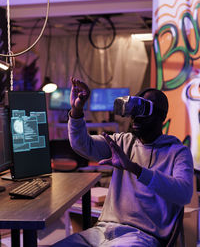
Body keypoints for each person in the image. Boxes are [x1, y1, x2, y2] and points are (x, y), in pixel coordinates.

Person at [52, 77, 194, 247]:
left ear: (160, 116)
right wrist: (76, 109)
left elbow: (184, 194)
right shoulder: (122, 142)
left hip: (141, 236)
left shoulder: (177, 152)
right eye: (135, 109)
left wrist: (135, 169)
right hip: (103, 231)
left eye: (144, 110)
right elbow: (82, 144)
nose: (136, 117)